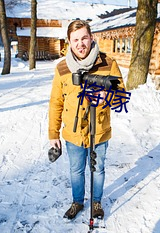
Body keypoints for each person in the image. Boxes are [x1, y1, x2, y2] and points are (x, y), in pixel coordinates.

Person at [48, 20, 126, 220]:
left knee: (98, 168)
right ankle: (77, 202)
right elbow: (56, 102)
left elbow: (121, 94)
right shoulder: (62, 68)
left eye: (84, 38)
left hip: (99, 130)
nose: (80, 43)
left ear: (91, 38)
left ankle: (97, 202)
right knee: (76, 170)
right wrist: (53, 134)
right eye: (75, 40)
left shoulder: (108, 63)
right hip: (73, 133)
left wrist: (106, 97)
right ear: (69, 42)